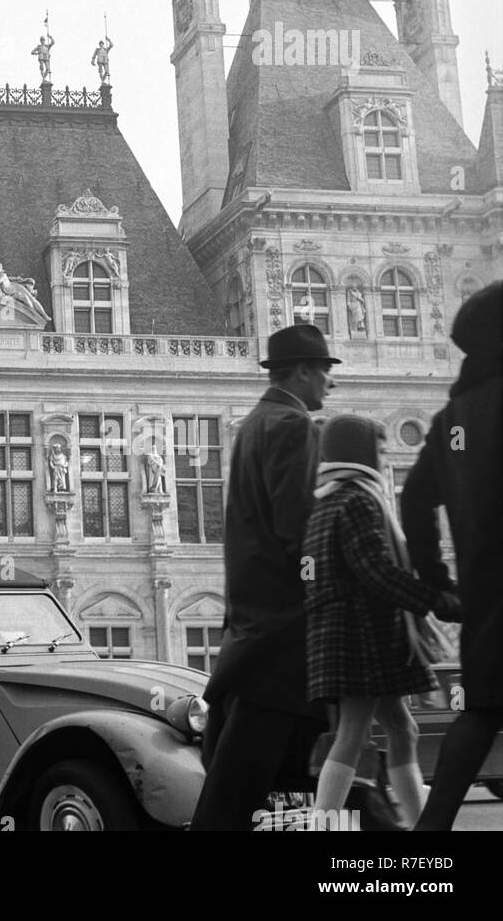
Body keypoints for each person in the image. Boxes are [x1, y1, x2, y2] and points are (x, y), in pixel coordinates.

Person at [189, 323, 339, 831]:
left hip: (254, 627)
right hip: (282, 636)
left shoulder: (256, 422)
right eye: (323, 372)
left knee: (287, 782)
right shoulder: (294, 427)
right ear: (300, 373)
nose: (329, 385)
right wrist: (330, 593)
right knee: (241, 790)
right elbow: (299, 530)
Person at [304, 415, 460, 827]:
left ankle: (422, 822)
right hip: (362, 635)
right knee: (353, 733)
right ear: (361, 453)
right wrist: (434, 600)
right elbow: (375, 571)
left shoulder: (328, 500)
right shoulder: (357, 499)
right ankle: (323, 823)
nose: (385, 454)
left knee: (401, 729)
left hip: (349, 632)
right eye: (380, 447)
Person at [404, 280, 502, 830]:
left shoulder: (453, 420)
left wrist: (438, 583)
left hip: (485, 591)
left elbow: (415, 501)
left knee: (481, 713)